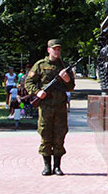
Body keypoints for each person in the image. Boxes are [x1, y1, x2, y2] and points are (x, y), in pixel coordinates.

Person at [25, 39, 74, 176]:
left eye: (59, 49)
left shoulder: (64, 66)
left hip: (60, 107)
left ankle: (57, 166)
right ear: (49, 50)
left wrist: (67, 80)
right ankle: (47, 166)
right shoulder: (40, 65)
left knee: (59, 136)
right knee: (45, 135)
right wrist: (37, 92)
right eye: (54, 49)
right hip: (45, 106)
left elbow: (71, 87)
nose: (57, 52)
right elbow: (28, 82)